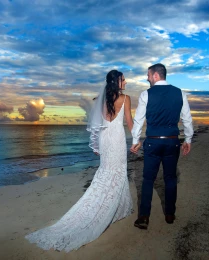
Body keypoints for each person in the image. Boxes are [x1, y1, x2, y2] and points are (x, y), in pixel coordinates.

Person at [25, 70, 134, 252]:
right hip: (116, 140)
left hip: (106, 140)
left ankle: (119, 207)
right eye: (123, 79)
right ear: (117, 82)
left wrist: (98, 147)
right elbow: (129, 121)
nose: (126, 81)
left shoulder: (101, 100)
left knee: (106, 172)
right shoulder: (126, 98)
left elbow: (99, 125)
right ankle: (112, 209)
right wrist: (138, 138)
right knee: (117, 171)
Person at [130, 63, 193, 229]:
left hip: (153, 141)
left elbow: (139, 120)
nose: (147, 78)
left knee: (148, 179)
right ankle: (170, 214)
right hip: (172, 141)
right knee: (170, 178)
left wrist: (135, 141)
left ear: (156, 75)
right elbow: (186, 118)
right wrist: (188, 139)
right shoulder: (180, 93)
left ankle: (144, 217)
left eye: (148, 75)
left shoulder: (146, 94)